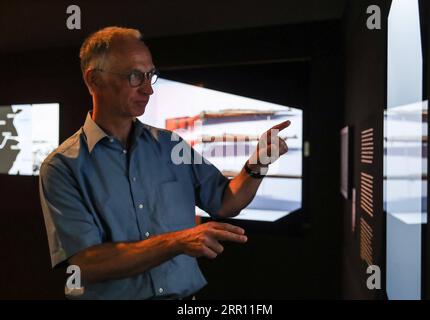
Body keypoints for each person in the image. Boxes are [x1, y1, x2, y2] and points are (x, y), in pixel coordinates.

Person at [39, 26, 290, 300]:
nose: (148, 89)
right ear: (95, 80)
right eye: (135, 76)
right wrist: (178, 242)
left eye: (150, 75)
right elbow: (85, 264)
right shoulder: (62, 167)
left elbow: (225, 201)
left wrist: (259, 164)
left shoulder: (171, 145)